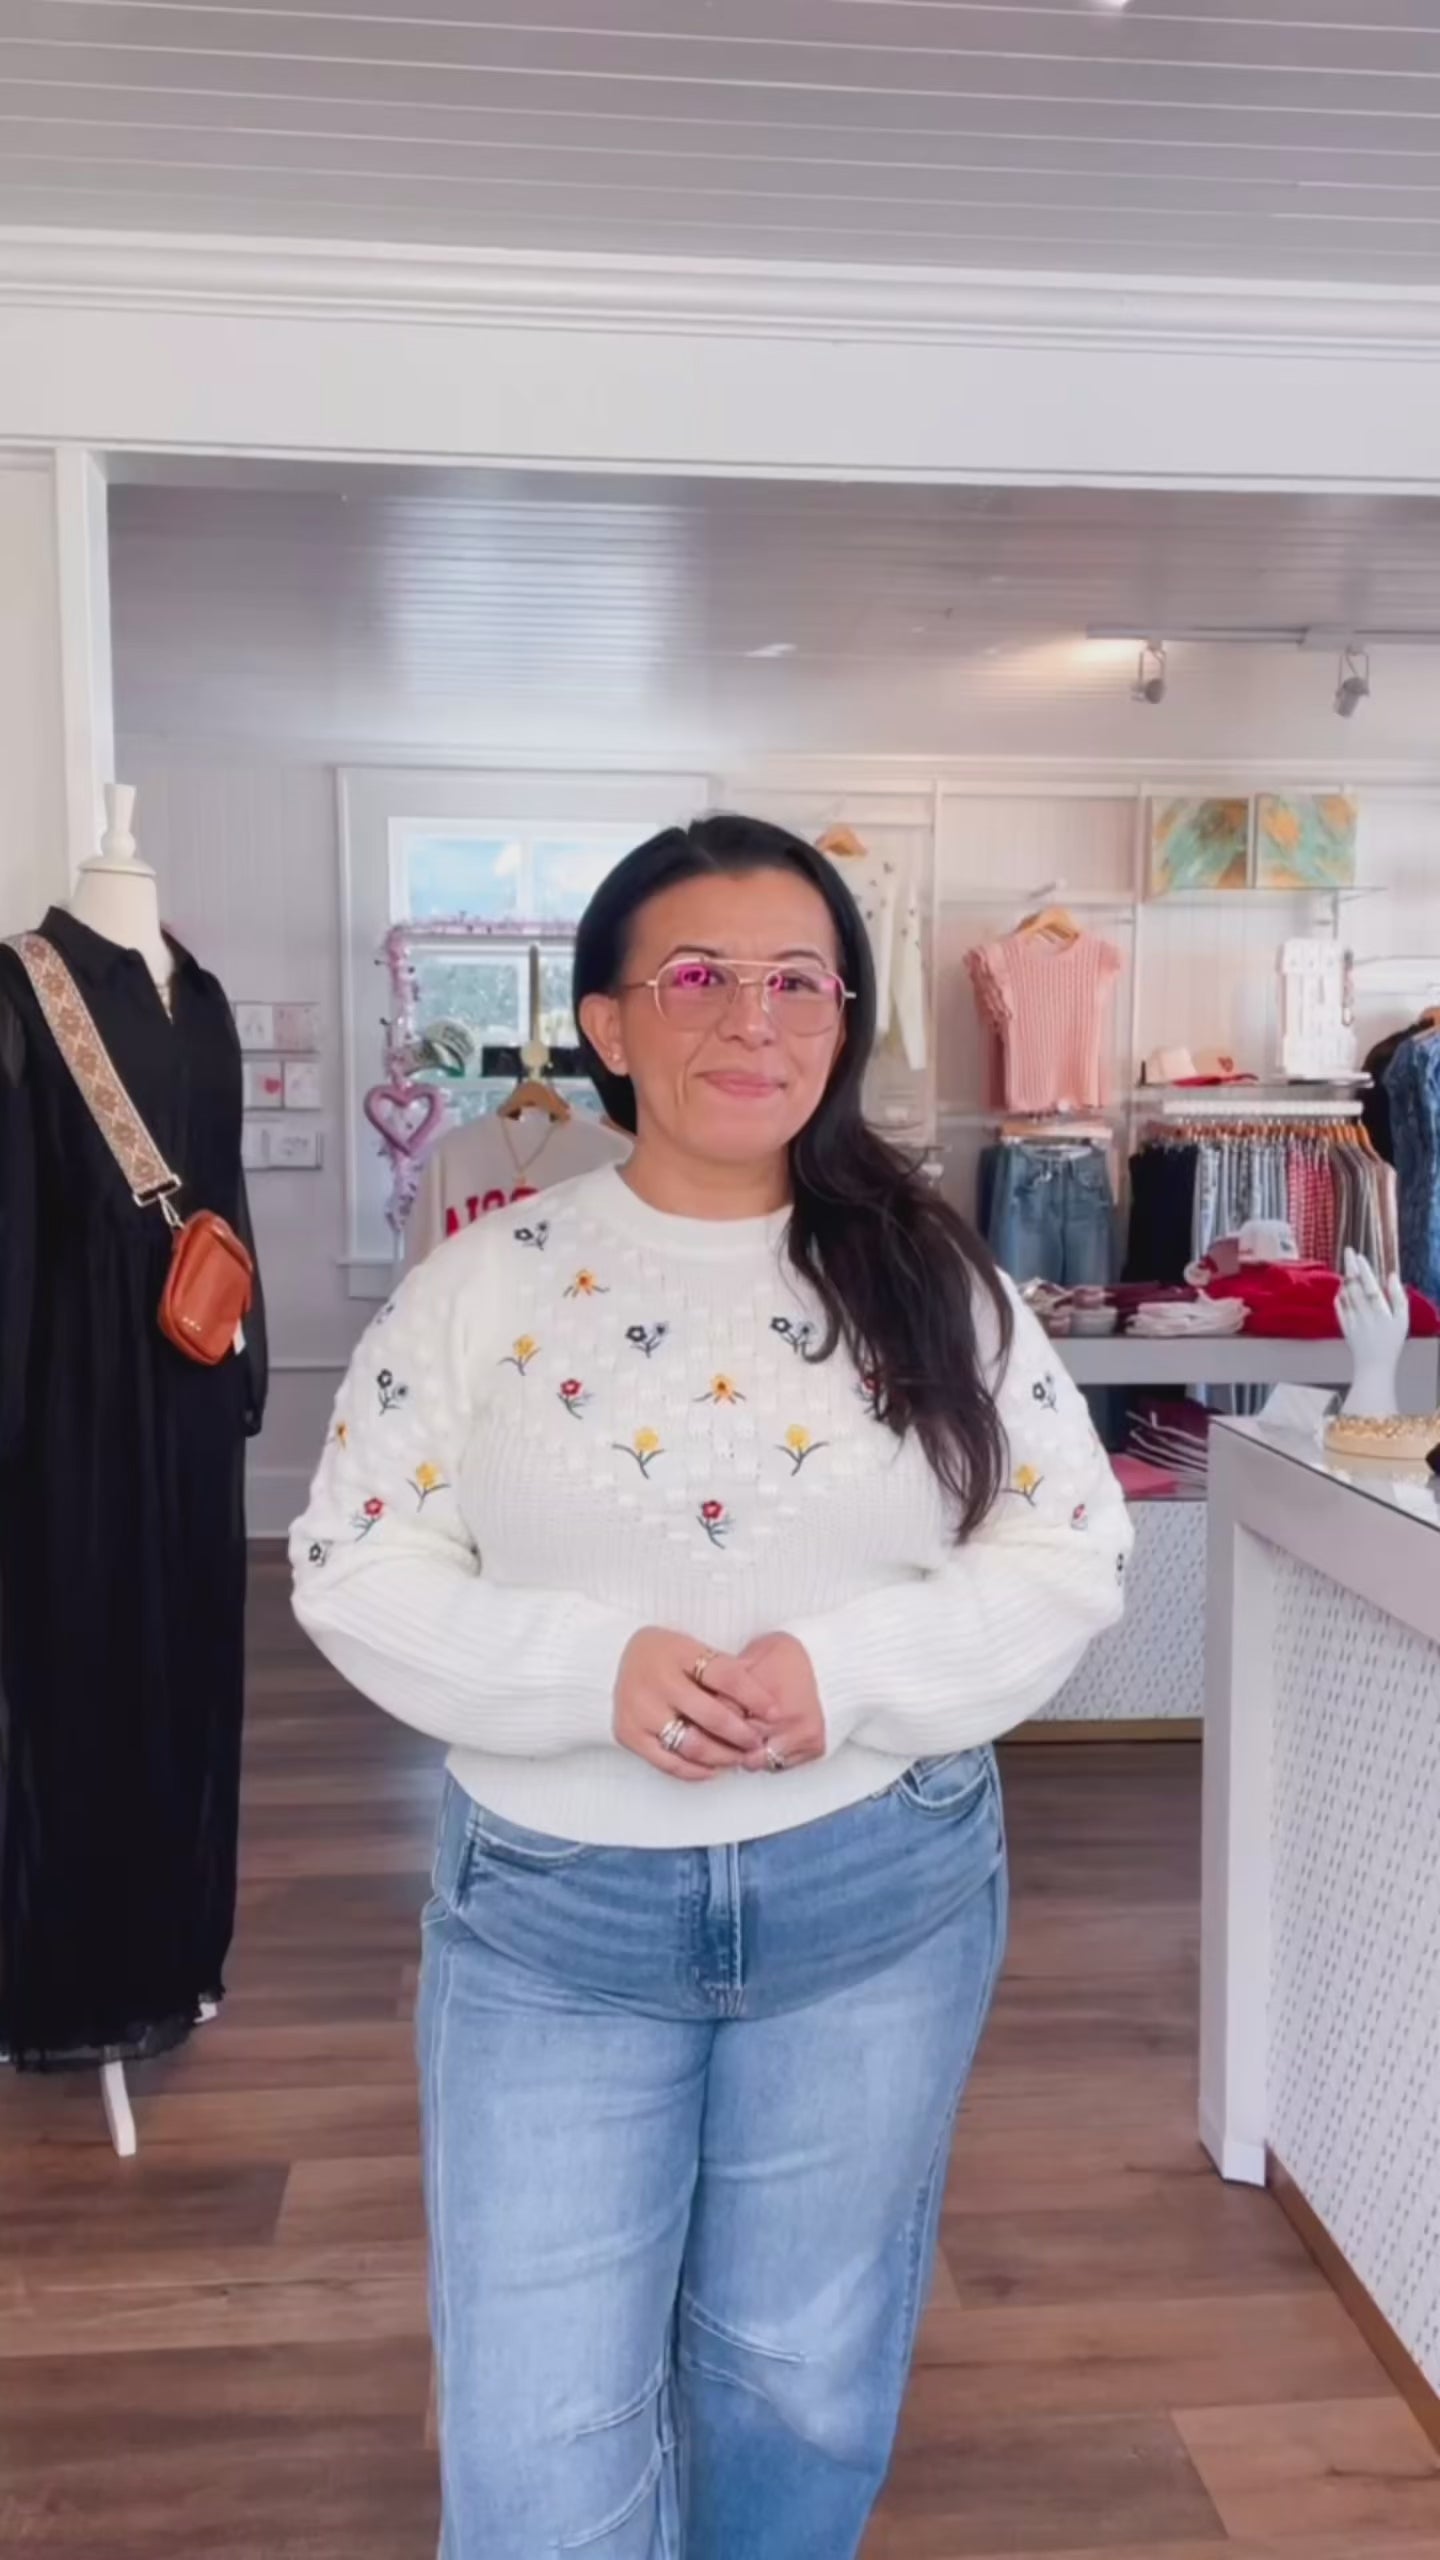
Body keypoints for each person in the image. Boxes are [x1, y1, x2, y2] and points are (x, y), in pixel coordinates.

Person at [291, 813, 1130, 2560]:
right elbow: (352, 1558)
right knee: (538, 2448)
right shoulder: (481, 1283)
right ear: (605, 1021)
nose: (754, 1018)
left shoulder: (936, 1277)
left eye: (799, 981)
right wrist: (591, 1670)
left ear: (844, 1017)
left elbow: (1071, 1542)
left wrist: (849, 1669)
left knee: (799, 2389)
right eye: (698, 976)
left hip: (877, 1897)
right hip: (555, 1925)